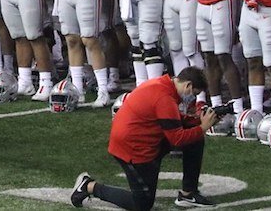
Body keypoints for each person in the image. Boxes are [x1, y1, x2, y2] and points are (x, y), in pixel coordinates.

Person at [70, 67, 218, 210]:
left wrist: (198, 121)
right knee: (142, 204)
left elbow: (171, 119)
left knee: (195, 139)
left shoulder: (163, 85)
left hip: (142, 139)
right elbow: (177, 139)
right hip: (133, 148)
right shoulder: (164, 97)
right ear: (188, 85)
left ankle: (188, 193)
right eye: (194, 93)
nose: (192, 97)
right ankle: (89, 186)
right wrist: (203, 127)